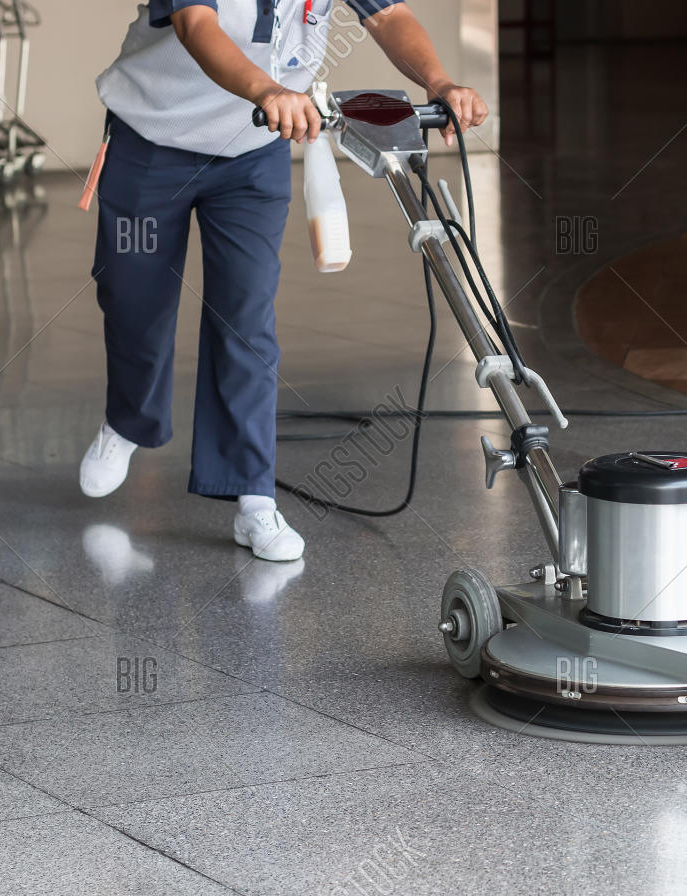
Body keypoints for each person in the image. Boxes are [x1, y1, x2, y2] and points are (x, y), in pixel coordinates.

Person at [80, 1, 488, 560]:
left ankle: (252, 496)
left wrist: (440, 81)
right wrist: (267, 91)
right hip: (153, 136)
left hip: (251, 152)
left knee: (246, 316)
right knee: (133, 298)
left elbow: (390, 16)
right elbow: (196, 26)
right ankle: (128, 419)